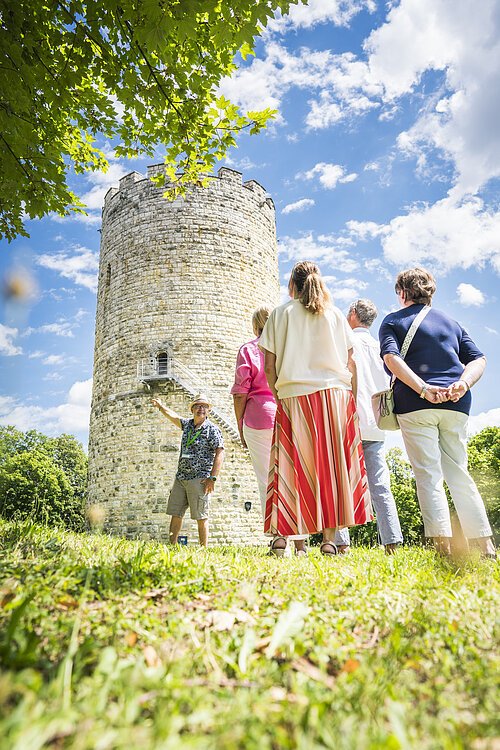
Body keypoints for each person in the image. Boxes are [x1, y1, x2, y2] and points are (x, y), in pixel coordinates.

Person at [379, 267, 496, 558]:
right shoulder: (452, 323)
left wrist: (422, 388)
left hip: (415, 404)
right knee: (459, 472)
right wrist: (463, 383)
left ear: (402, 292)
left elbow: (392, 358)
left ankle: (442, 545)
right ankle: (486, 545)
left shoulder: (392, 321)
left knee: (428, 474)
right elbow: (478, 359)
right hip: (457, 404)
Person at [259, 261, 372, 557]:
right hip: (335, 395)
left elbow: (269, 366)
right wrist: (351, 402)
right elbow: (351, 363)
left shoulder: (279, 314)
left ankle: (282, 538)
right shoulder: (335, 315)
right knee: (331, 468)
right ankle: (330, 541)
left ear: (291, 285)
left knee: (288, 465)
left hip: (294, 393)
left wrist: (279, 392)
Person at [231, 306, 308, 555]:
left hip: (258, 418)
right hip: (288, 415)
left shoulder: (248, 349)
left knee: (268, 480)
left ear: (255, 326)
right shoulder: (288, 349)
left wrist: (240, 424)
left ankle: (278, 539)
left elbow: (240, 393)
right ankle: (301, 543)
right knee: (295, 479)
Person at [334, 299, 403, 554]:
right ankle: (391, 541)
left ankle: (341, 544)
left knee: (341, 482)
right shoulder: (379, 347)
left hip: (348, 420)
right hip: (376, 423)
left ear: (353, 314)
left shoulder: (344, 343)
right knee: (380, 484)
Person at [151, 393, 224, 546]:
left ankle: (203, 549)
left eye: (204, 406)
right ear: (192, 409)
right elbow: (173, 416)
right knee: (175, 513)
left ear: (208, 411)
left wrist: (213, 478)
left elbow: (220, 452)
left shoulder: (212, 430)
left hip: (200, 478)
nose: (201, 409)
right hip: (181, 477)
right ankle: (172, 546)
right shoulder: (188, 425)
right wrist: (161, 407)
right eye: (197, 406)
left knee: (201, 516)